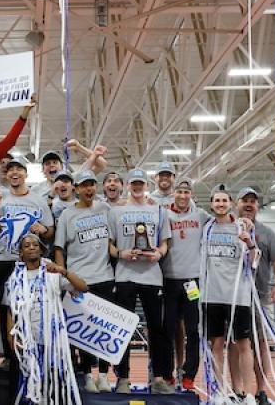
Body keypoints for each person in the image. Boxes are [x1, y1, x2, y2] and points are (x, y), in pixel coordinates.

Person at [0, 156, 54, 378]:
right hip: (4, 260)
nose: (14, 173)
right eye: (10, 170)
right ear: (6, 175)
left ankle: (37, 352)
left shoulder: (38, 200)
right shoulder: (1, 198)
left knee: (33, 307)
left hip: (30, 263)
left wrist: (43, 230)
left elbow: (50, 231)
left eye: (19, 169)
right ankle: (9, 355)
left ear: (26, 174)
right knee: (7, 309)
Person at [107, 168, 173, 394]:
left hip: (152, 276)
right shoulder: (116, 211)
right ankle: (123, 378)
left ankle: (158, 377)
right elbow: (109, 244)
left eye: (140, 183)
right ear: (127, 185)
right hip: (124, 275)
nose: (137, 187)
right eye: (133, 183)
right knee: (123, 329)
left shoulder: (159, 211)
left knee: (156, 329)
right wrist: (121, 254)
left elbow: (165, 242)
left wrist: (159, 254)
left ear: (146, 185)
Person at [4, 233, 87, 404]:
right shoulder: (14, 278)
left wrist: (63, 271)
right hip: (27, 341)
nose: (31, 248)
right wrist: (10, 336)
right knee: (29, 385)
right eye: (27, 245)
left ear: (41, 250)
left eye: (35, 245)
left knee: (55, 385)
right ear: (21, 252)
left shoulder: (52, 273)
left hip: (53, 341)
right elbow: (10, 310)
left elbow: (83, 287)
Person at [53, 170, 114, 393]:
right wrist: (64, 279)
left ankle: (104, 376)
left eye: (92, 184)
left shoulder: (105, 209)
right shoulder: (67, 215)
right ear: (76, 189)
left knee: (105, 330)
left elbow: (114, 241)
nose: (89, 189)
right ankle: (88, 375)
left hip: (105, 277)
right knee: (84, 332)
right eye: (84, 185)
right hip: (79, 280)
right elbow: (59, 249)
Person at [202, 185, 258, 404]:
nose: (220, 204)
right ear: (211, 204)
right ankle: (218, 391)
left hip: (238, 296)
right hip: (212, 295)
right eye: (217, 201)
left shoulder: (242, 227)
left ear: (231, 203)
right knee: (216, 344)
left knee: (244, 345)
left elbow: (254, 262)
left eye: (224, 200)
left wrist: (250, 243)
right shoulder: (206, 228)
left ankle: (248, 393)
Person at [233, 187, 275, 405]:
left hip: (261, 297)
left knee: (262, 344)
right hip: (233, 297)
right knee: (236, 344)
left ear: (257, 206)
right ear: (237, 203)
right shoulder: (227, 229)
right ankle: (238, 390)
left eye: (253, 201)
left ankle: (261, 390)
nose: (249, 204)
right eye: (244, 200)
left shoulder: (267, 233)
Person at [161, 178, 210, 391]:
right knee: (168, 330)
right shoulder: (164, 215)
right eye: (179, 192)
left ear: (191, 195)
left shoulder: (201, 215)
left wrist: (241, 221)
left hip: (192, 282)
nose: (182, 196)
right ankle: (167, 374)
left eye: (186, 192)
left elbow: (222, 220)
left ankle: (189, 375)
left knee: (192, 329)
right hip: (169, 280)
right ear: (174, 194)